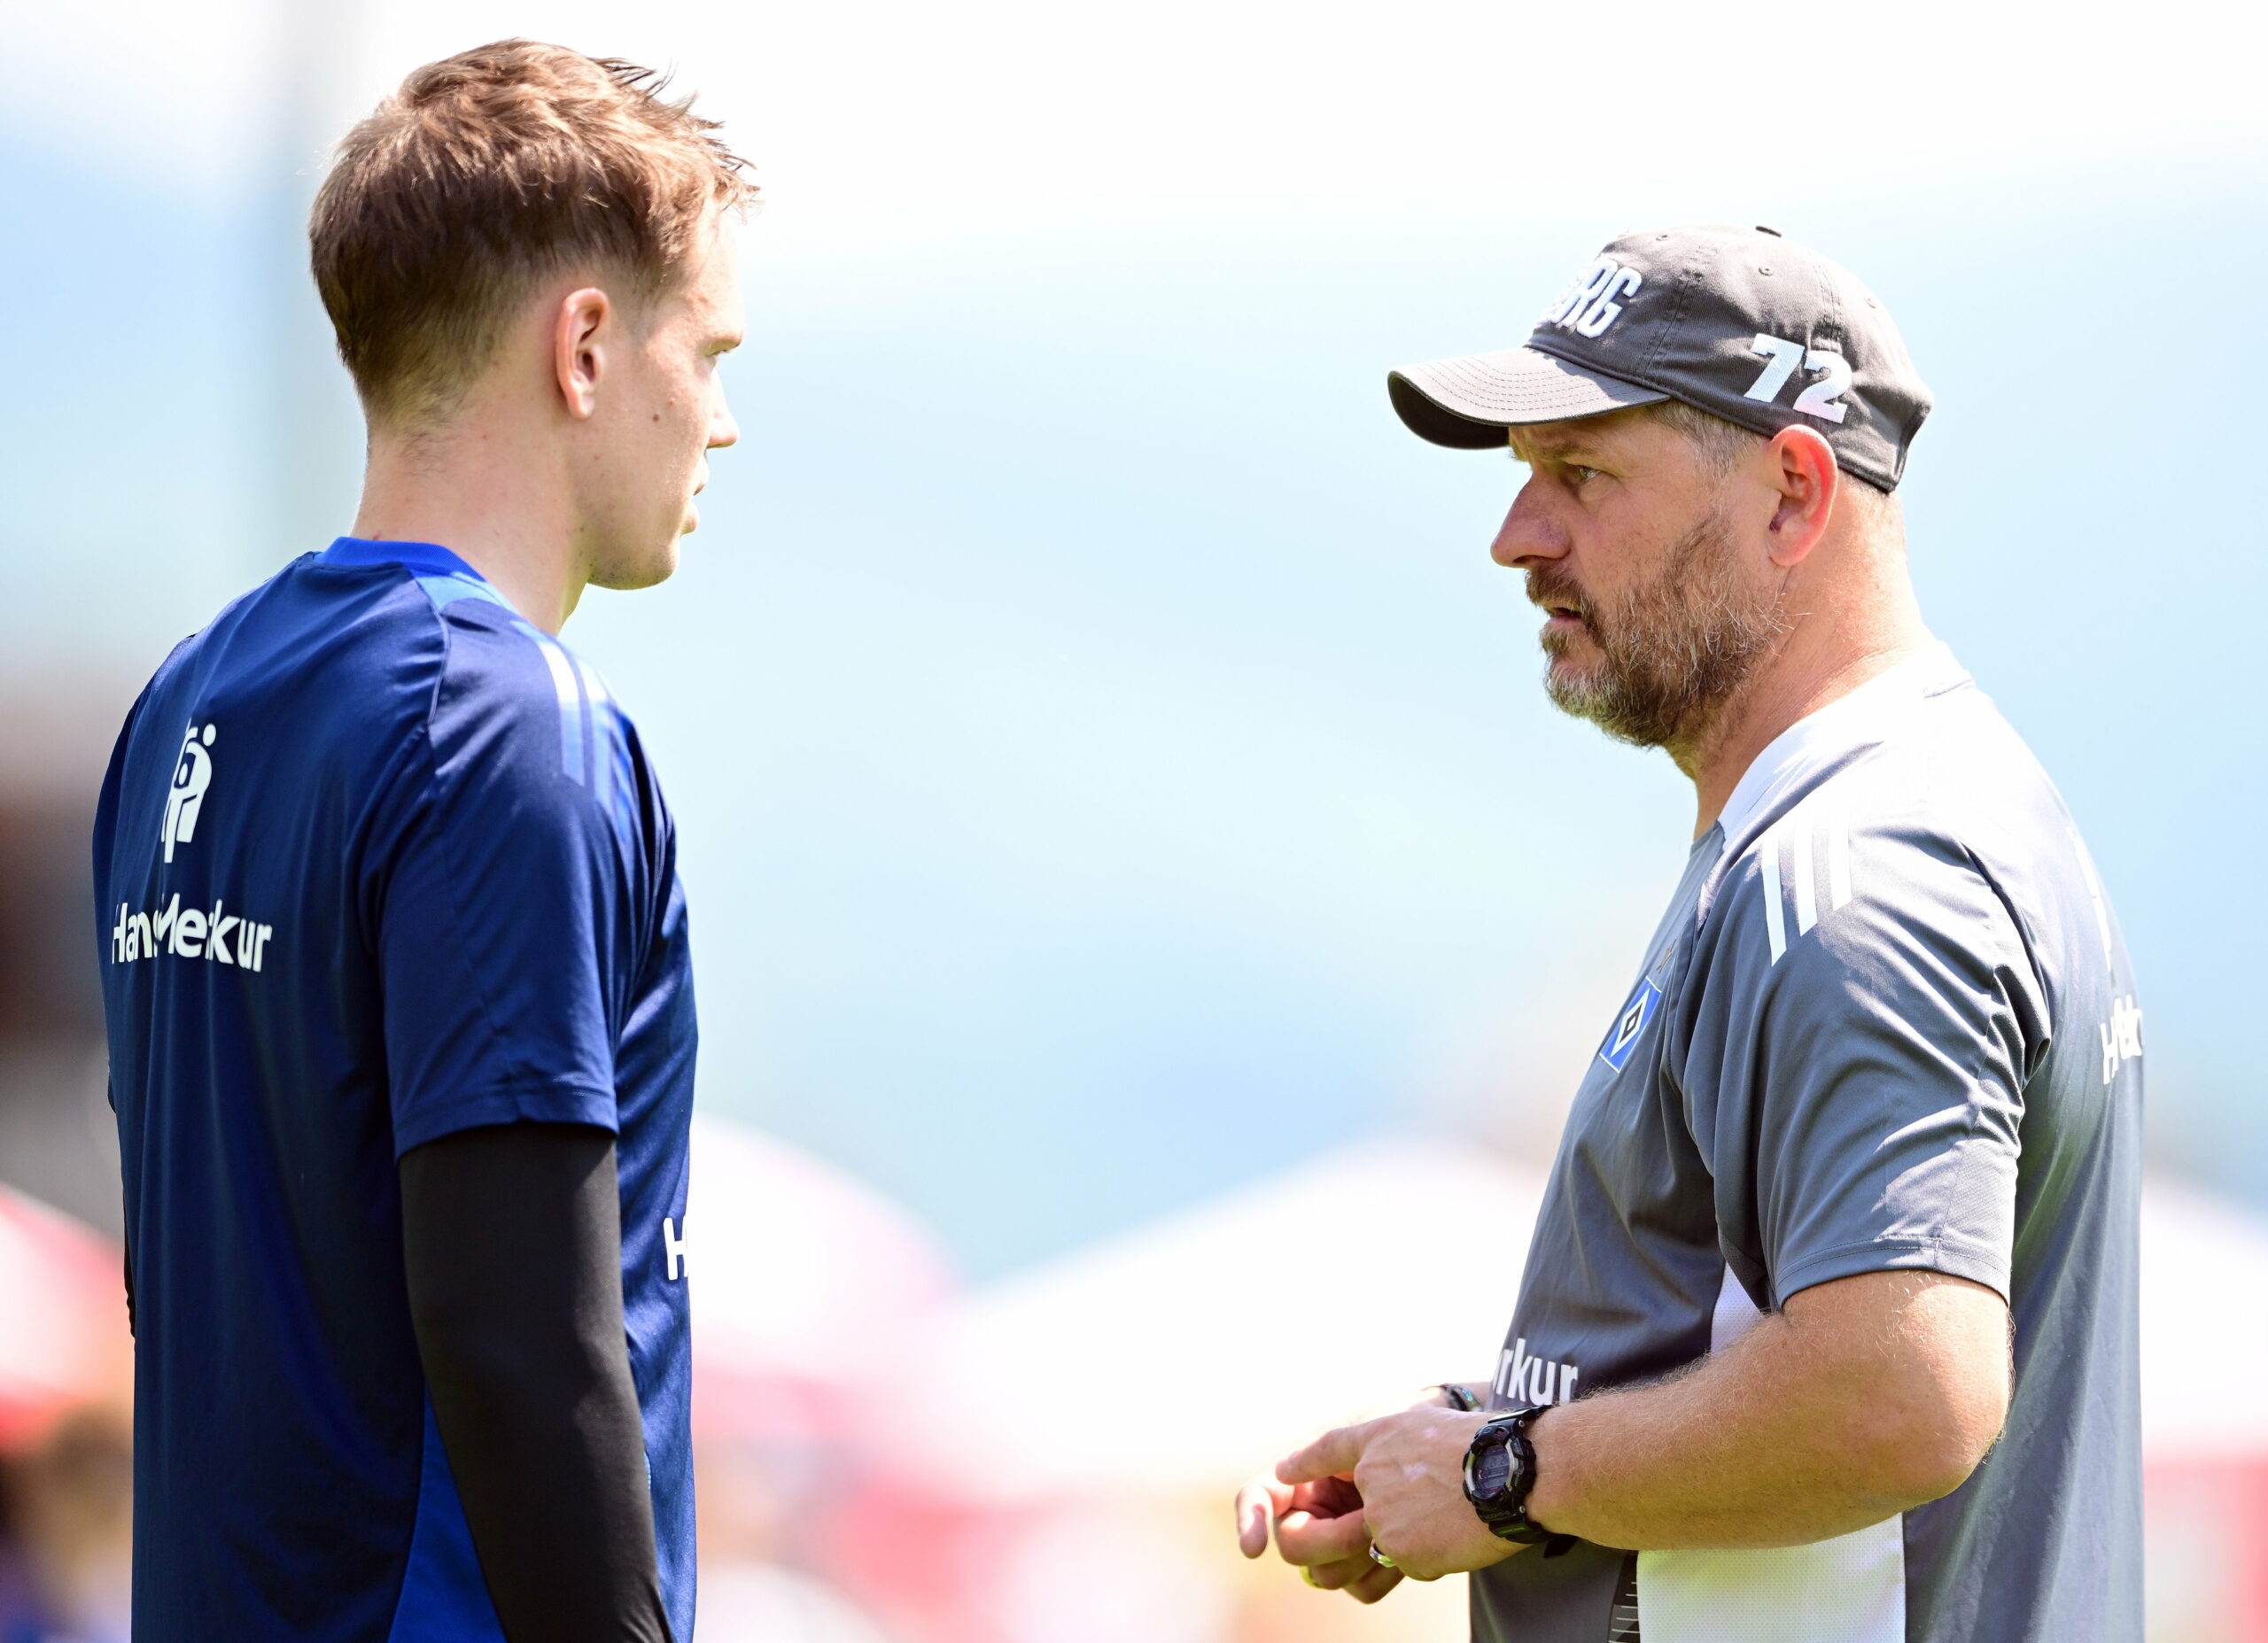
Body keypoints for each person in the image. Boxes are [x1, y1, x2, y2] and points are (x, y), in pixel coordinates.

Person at [1235, 224, 2143, 1642]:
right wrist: (1493, 1435)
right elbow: (1764, 1332)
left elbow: (1900, 1391)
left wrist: (1499, 1475)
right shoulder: (1866, 822)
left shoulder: (1862, 876)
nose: (1516, 537)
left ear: (1793, 492)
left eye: (1582, 474)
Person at [90, 41, 751, 1643]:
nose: (720, 423)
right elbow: (519, 1339)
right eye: (710, 353)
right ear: (585, 346)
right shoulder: (505, 727)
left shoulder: (190, 700)